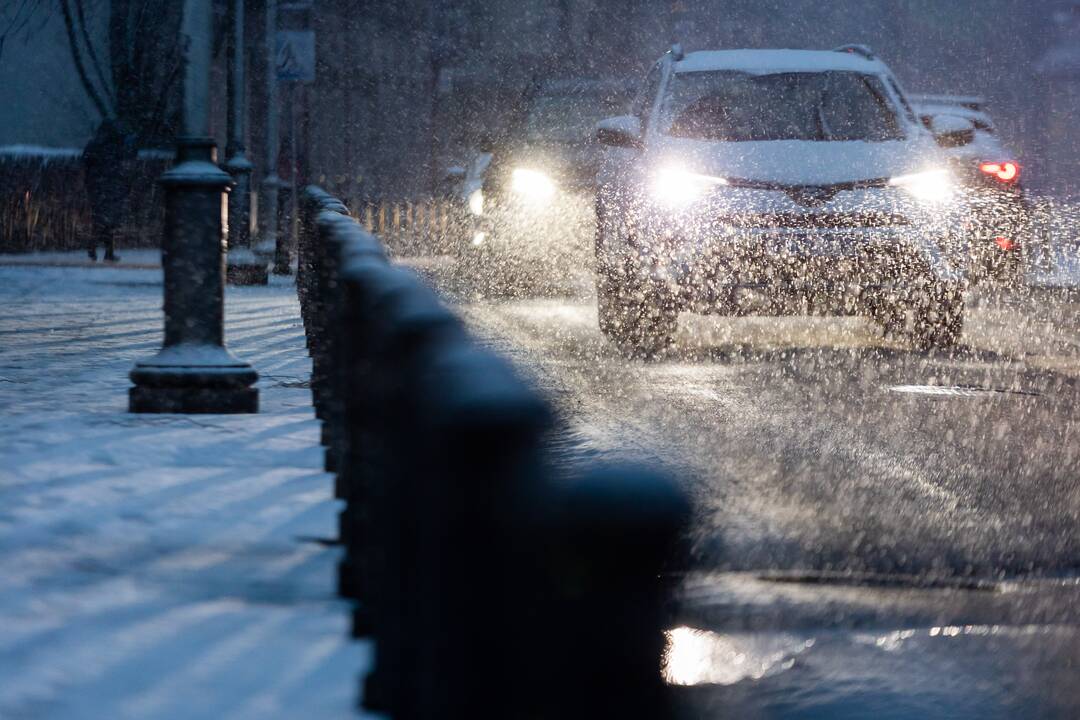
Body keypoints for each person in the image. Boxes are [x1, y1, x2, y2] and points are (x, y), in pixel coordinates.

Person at [81, 119, 135, 262]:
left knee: (101, 219)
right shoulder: (115, 145)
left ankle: (102, 250)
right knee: (108, 221)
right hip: (112, 187)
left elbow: (85, 164)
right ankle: (99, 249)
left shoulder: (94, 145)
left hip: (97, 188)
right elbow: (122, 164)